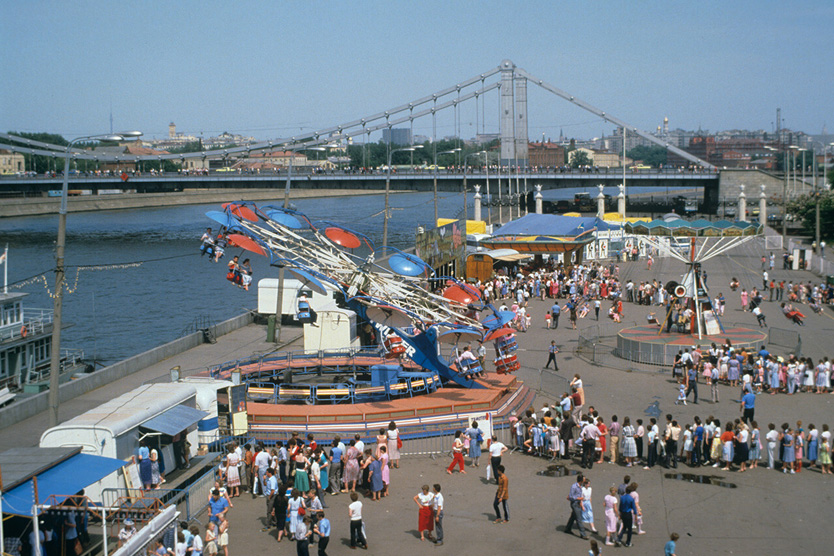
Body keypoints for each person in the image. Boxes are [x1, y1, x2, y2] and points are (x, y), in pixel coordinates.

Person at [565, 473, 587, 539]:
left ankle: (567, 529)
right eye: (584, 479)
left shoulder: (581, 486)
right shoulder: (574, 486)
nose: (585, 480)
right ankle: (583, 534)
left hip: (578, 504)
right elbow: (571, 496)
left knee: (573, 517)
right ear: (581, 480)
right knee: (578, 519)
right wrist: (579, 498)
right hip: (574, 504)